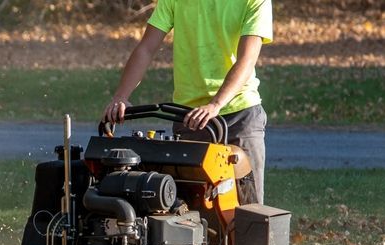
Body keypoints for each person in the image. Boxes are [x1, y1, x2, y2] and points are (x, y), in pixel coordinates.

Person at [103, 0, 273, 204]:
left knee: (248, 211)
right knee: (191, 211)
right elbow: (147, 48)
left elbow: (247, 59)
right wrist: (121, 96)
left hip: (240, 117)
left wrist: (215, 104)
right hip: (190, 118)